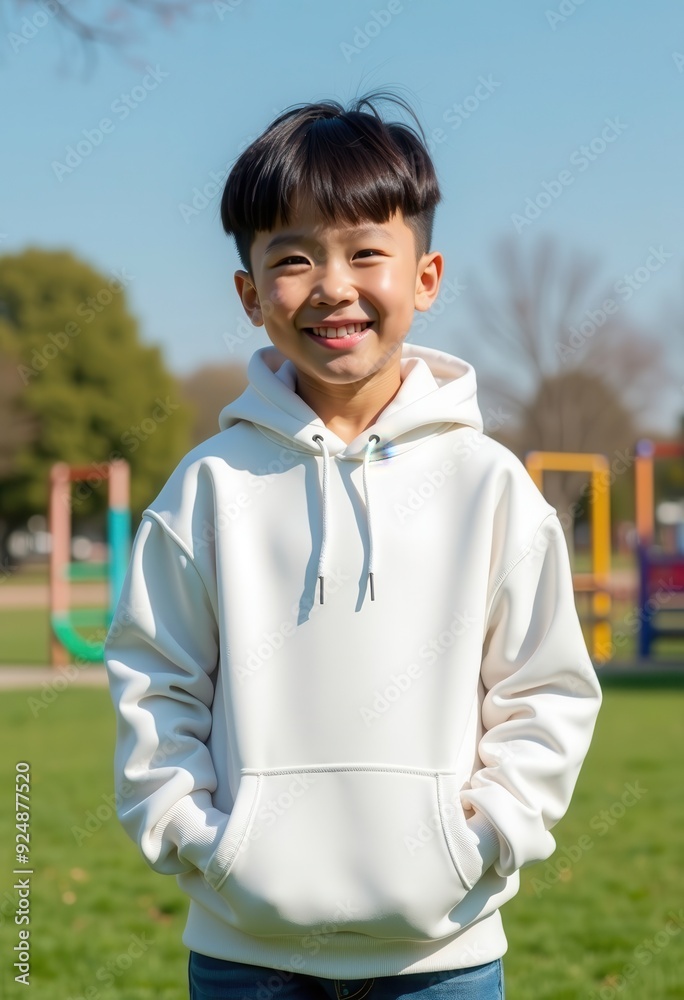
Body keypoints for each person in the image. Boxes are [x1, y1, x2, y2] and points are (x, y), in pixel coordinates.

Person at [104, 89, 603, 1000]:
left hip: (439, 957)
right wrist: (198, 837)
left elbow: (546, 692)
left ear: (426, 277)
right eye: (292, 258)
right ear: (251, 295)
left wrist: (481, 839)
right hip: (245, 953)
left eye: (366, 252)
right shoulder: (208, 489)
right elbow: (154, 681)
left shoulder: (491, 488)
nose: (333, 286)